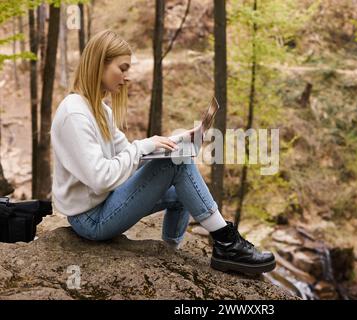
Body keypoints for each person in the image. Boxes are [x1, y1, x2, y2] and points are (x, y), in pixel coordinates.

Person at [50, 30, 275, 275]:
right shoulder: (75, 114)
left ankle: (170, 253)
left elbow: (129, 155)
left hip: (103, 203)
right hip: (91, 220)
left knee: (182, 182)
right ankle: (227, 242)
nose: (126, 78)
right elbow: (101, 178)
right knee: (176, 164)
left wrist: (177, 141)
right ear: (99, 63)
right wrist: (146, 146)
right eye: (122, 68)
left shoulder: (100, 111)